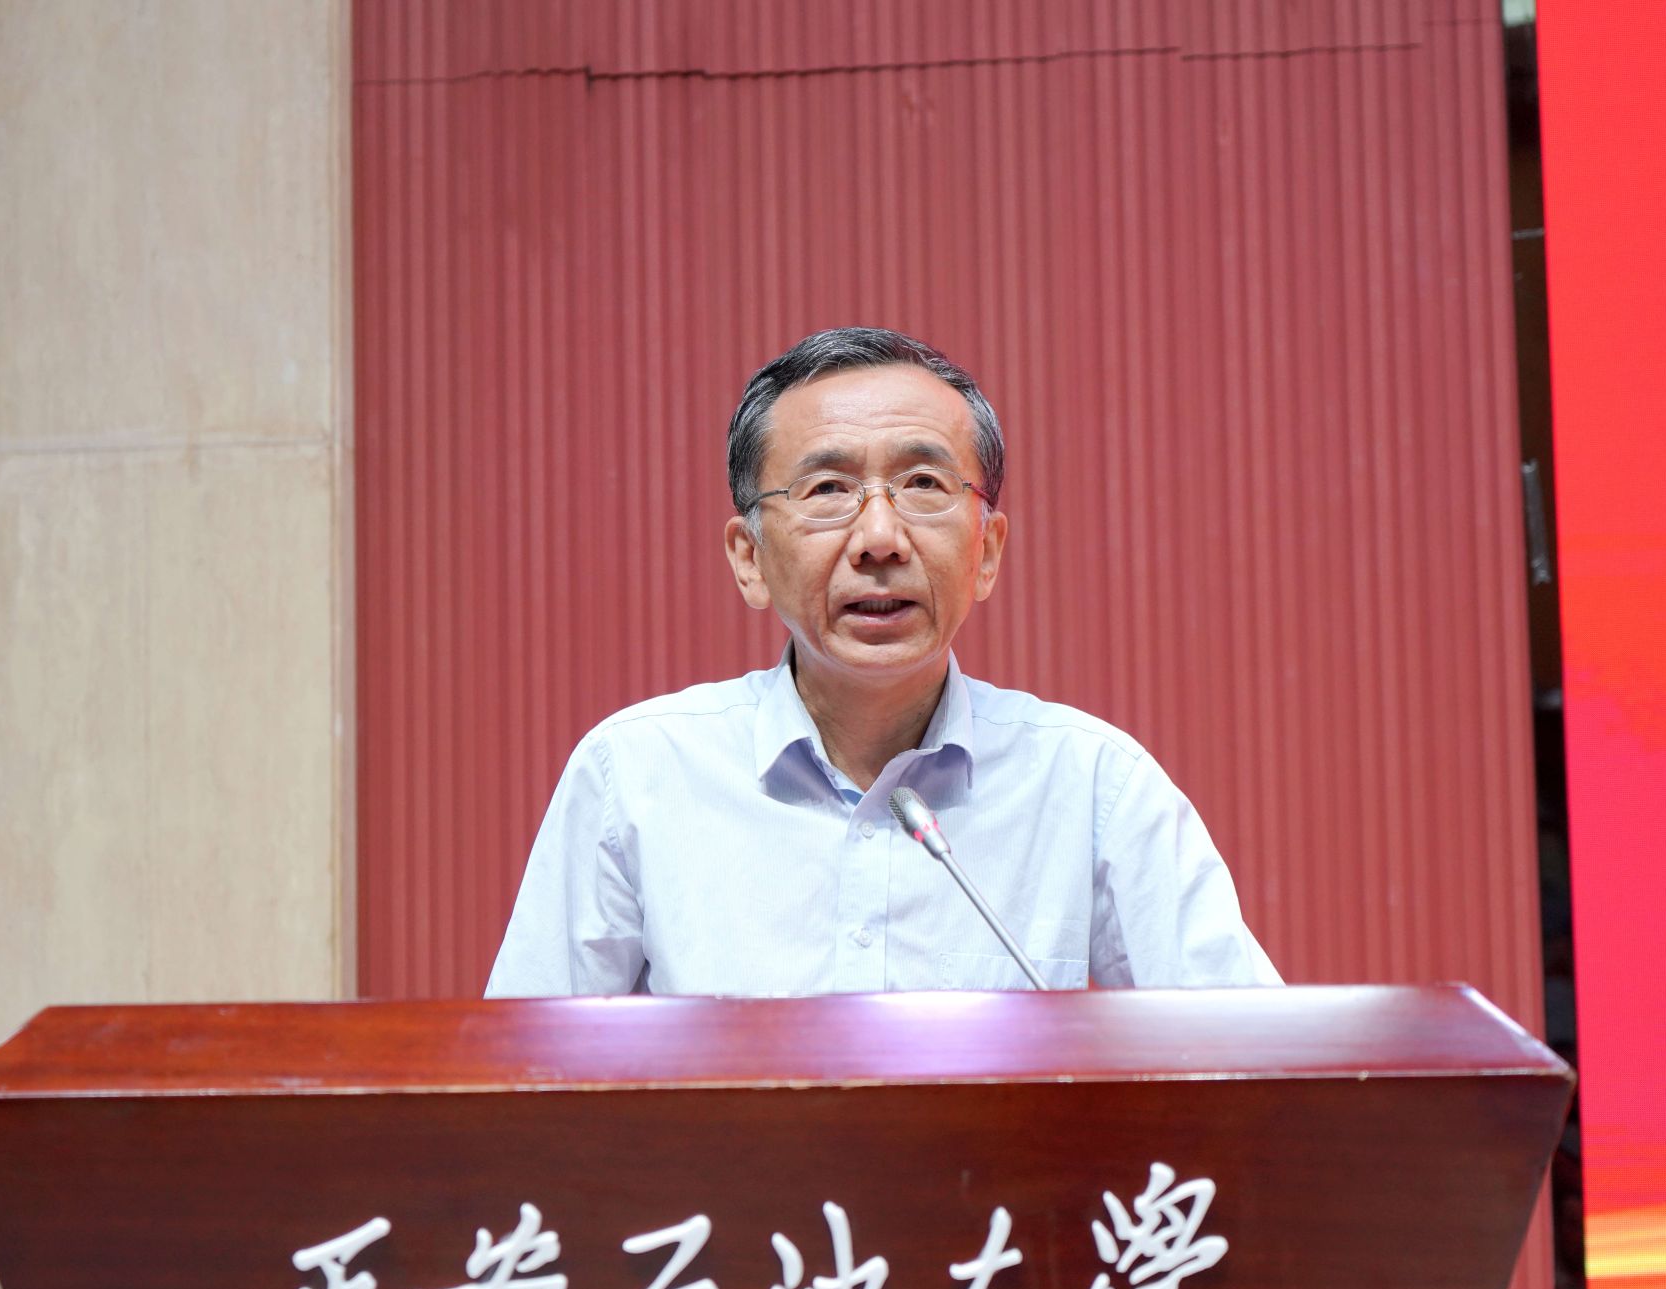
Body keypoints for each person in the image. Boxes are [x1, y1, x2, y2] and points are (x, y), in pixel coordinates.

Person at [487, 327, 1278, 997]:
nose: (879, 539)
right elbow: (520, 1083)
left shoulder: (1093, 785)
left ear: (987, 551)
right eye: (828, 488)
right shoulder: (636, 777)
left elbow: (1253, 1064)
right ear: (749, 558)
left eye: (923, 483)